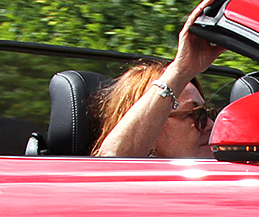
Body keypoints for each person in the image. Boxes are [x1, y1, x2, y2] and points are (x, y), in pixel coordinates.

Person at [94, 19, 223, 157]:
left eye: (209, 114)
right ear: (151, 124)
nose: (211, 125)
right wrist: (181, 70)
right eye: (197, 115)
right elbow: (112, 160)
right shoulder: (135, 177)